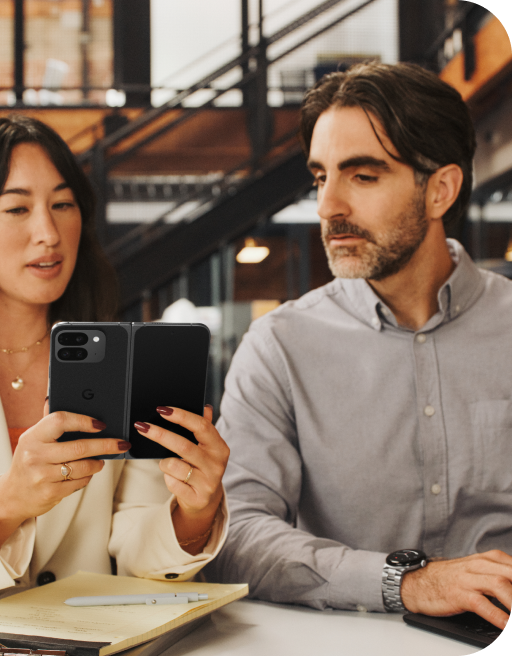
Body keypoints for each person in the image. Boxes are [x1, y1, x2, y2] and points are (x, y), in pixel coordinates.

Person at [0, 115, 229, 619]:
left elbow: (139, 550)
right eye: (16, 208)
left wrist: (194, 513)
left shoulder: (126, 358)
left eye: (62, 205)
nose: (48, 233)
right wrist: (6, 504)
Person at [204, 61, 512, 631]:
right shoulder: (279, 346)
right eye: (322, 177)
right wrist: (405, 582)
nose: (327, 208)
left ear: (440, 189)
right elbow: (236, 535)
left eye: (362, 176)